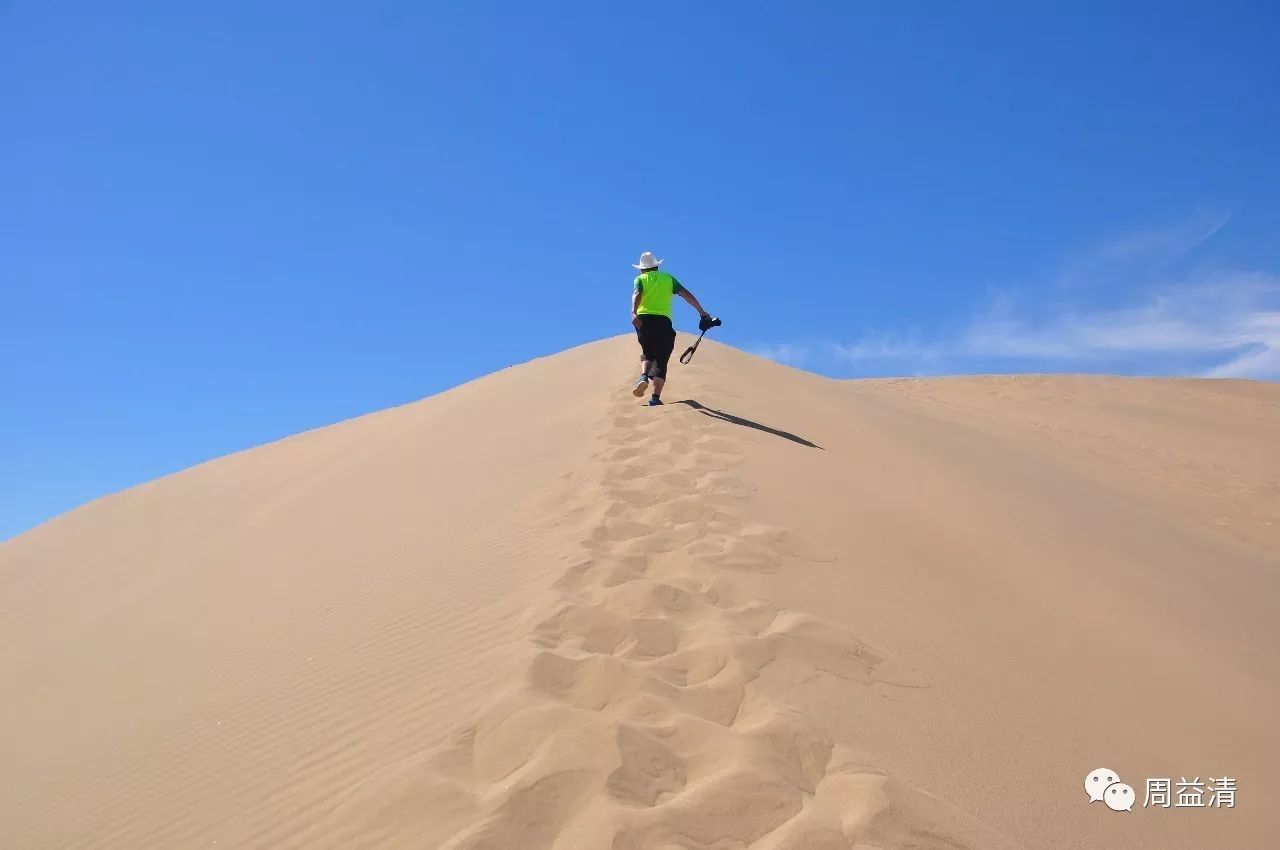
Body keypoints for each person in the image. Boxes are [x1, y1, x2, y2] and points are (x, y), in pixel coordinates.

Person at [629, 251, 713, 406]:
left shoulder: (640, 279)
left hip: (643, 321)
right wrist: (701, 311)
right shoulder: (668, 279)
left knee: (647, 352)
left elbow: (637, 293)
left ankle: (643, 377)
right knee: (661, 361)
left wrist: (634, 312)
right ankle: (654, 398)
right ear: (656, 266)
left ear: (642, 269)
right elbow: (686, 294)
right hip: (663, 322)